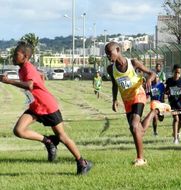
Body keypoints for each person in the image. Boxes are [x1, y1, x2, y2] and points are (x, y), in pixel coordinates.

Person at [0, 41, 92, 175]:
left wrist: (9, 81)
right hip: (35, 106)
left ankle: (82, 163)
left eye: (16, 54)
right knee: (19, 130)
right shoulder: (22, 68)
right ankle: (48, 141)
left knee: (62, 136)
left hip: (47, 106)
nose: (13, 56)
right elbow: (40, 77)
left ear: (25, 56)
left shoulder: (27, 68)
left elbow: (30, 85)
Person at [105, 42, 170, 166]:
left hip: (138, 95)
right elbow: (114, 85)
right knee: (137, 130)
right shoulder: (110, 69)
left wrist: (149, 80)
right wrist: (114, 100)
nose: (108, 56)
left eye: (109, 53)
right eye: (106, 54)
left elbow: (152, 73)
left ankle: (140, 159)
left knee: (135, 126)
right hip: (127, 100)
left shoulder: (133, 63)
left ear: (118, 50)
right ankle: (155, 111)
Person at [165, 64, 181, 144]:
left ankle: (177, 132)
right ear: (172, 72)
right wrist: (166, 93)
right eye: (175, 72)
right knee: (176, 119)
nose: (177, 74)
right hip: (173, 103)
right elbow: (166, 90)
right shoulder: (169, 81)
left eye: (178, 73)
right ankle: (175, 139)